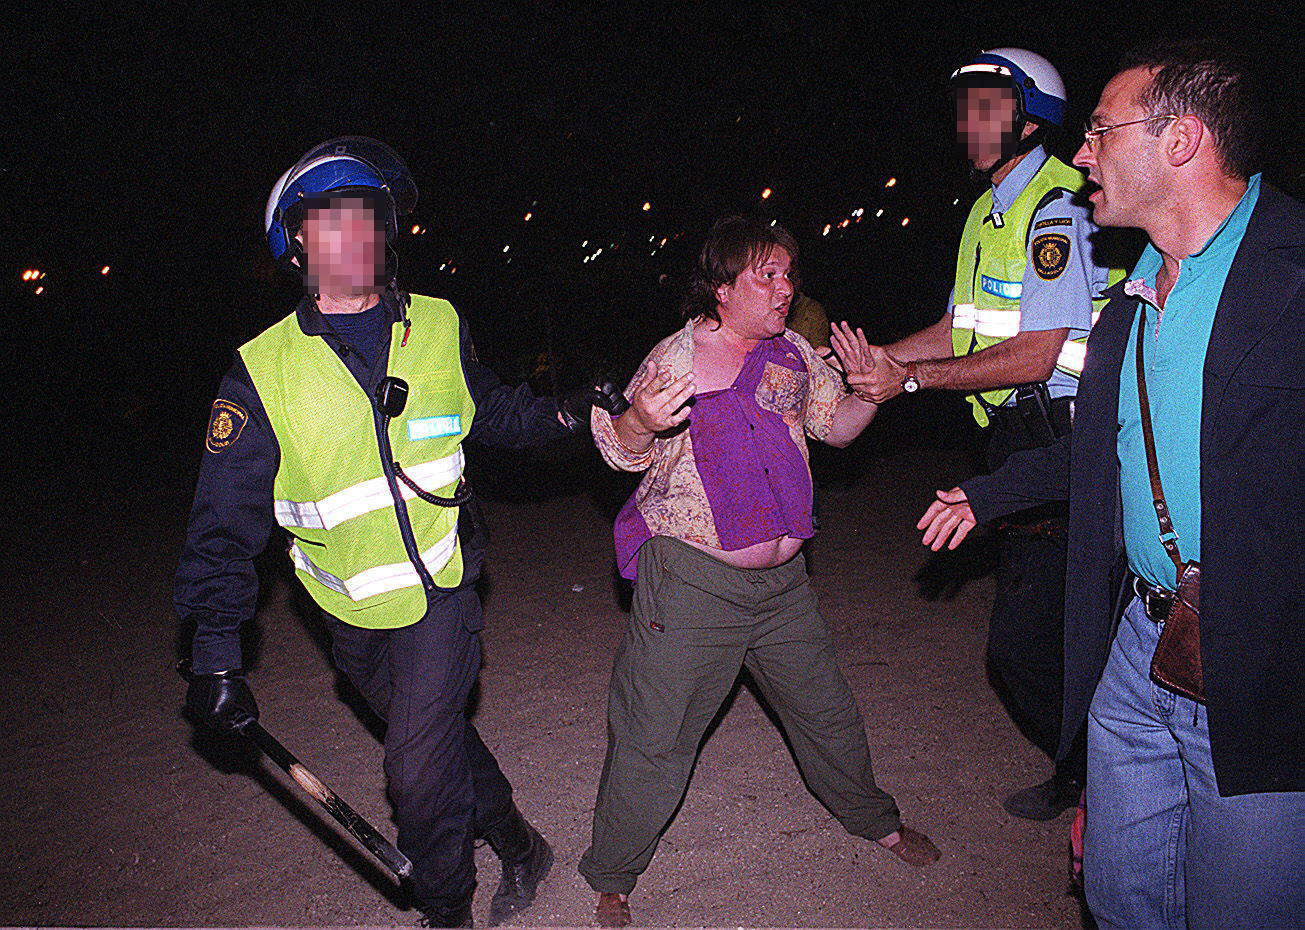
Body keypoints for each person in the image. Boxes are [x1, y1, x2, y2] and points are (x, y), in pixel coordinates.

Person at [176, 137, 617, 928]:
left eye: (370, 218)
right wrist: (214, 653)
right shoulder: (261, 371)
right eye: (332, 221)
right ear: (296, 241)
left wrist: (578, 409)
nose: (356, 236)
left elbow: (497, 413)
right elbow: (222, 526)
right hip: (348, 615)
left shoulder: (440, 325)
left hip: (444, 588)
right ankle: (520, 843)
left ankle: (445, 909)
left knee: (414, 771)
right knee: (437, 742)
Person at [918, 42, 1304, 929]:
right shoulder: (1133, 293)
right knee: (1121, 896)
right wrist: (990, 494)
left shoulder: (1292, 274)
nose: (1083, 152)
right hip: (1138, 645)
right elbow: (1104, 444)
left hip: (1257, 662)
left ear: (1180, 141)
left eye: (1099, 130)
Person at [578, 216, 939, 928]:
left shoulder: (793, 353)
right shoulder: (674, 358)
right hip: (691, 584)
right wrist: (639, 424)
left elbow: (832, 427)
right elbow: (621, 454)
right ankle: (613, 873)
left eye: (787, 274)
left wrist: (872, 391)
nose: (784, 289)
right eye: (765, 276)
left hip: (782, 586)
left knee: (826, 710)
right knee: (656, 730)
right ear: (720, 289)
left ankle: (876, 820)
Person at [849, 48, 1125, 820]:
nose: (969, 121)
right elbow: (957, 327)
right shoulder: (986, 208)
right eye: (964, 104)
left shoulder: (1058, 204)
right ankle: (1086, 773)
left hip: (1065, 441)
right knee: (1058, 629)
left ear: (1031, 116)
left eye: (987, 104)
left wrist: (907, 381)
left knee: (1024, 642)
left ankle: (1103, 776)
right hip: (1012, 437)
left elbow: (1036, 352)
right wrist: (875, 361)